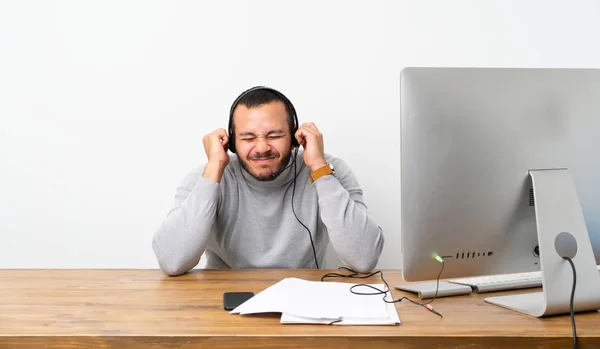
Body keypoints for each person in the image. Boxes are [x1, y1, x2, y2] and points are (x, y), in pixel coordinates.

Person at [152, 86, 384, 275]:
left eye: (274, 135)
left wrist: (319, 168)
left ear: (295, 138)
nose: (262, 147)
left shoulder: (328, 171)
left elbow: (364, 259)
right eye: (248, 137)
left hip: (304, 302)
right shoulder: (208, 176)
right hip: (223, 302)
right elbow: (172, 260)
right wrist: (214, 169)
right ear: (231, 142)